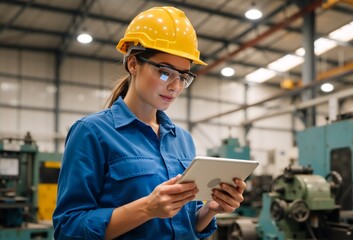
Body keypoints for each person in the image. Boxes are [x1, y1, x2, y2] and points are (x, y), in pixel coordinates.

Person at [53, 6, 247, 240]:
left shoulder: (182, 140)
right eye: (165, 72)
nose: (175, 86)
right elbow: (68, 228)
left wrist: (211, 208)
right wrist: (146, 208)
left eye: (183, 77)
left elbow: (184, 224)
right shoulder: (92, 133)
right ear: (133, 64)